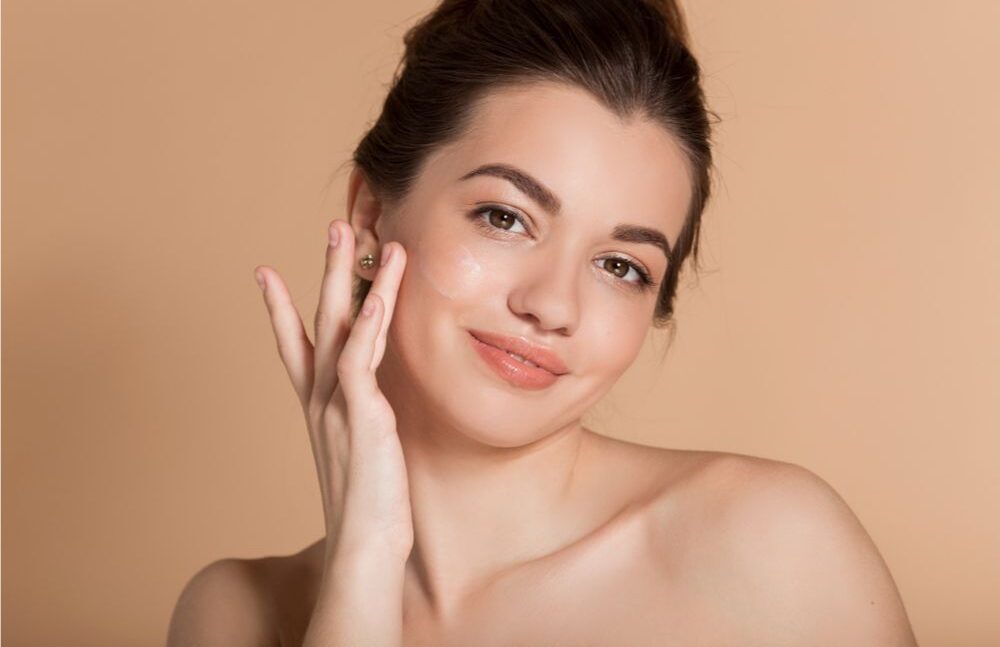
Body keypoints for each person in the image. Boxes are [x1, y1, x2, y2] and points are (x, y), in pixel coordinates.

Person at [167, 0, 919, 645]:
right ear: (369, 218)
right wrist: (364, 564)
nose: (553, 305)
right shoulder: (241, 614)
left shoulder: (770, 546)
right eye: (506, 217)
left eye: (622, 266)